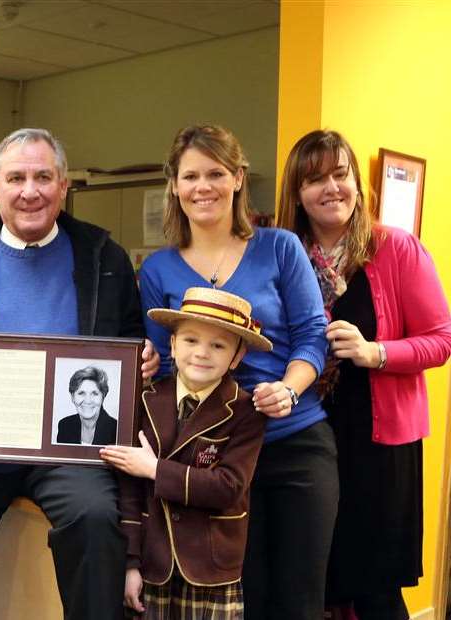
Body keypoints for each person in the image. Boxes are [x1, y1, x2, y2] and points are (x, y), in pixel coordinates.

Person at [0, 127, 159, 620]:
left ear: (63, 187)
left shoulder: (106, 258)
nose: (30, 190)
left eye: (44, 176)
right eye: (16, 177)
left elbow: (129, 340)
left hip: (67, 451)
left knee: (96, 519)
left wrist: (142, 358)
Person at [140, 124, 333, 619]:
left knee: (299, 598)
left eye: (215, 173)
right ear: (175, 185)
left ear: (239, 178)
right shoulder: (158, 270)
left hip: (293, 443)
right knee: (237, 596)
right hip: (211, 455)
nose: (202, 187)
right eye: (190, 176)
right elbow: (164, 364)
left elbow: (313, 335)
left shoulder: (281, 247)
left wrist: (289, 390)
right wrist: (147, 361)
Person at [277, 129, 451, 619]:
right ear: (297, 193)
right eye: (315, 179)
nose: (331, 188)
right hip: (305, 435)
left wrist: (375, 352)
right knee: (315, 581)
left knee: (374, 589)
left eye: (340, 174)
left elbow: (442, 339)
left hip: (378, 446)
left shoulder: (396, 248)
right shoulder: (282, 255)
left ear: (357, 181)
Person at [102, 286, 270, 620]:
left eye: (218, 345)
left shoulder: (246, 412)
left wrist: (153, 469)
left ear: (236, 357)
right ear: (172, 345)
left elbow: (227, 487)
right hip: (152, 563)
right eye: (191, 340)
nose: (202, 353)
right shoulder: (143, 399)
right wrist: (130, 564)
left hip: (212, 567)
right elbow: (130, 495)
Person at [56, 366, 117, 445]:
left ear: (103, 396)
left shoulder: (116, 430)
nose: (88, 401)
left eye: (94, 393)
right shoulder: (65, 425)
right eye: (81, 393)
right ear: (72, 397)